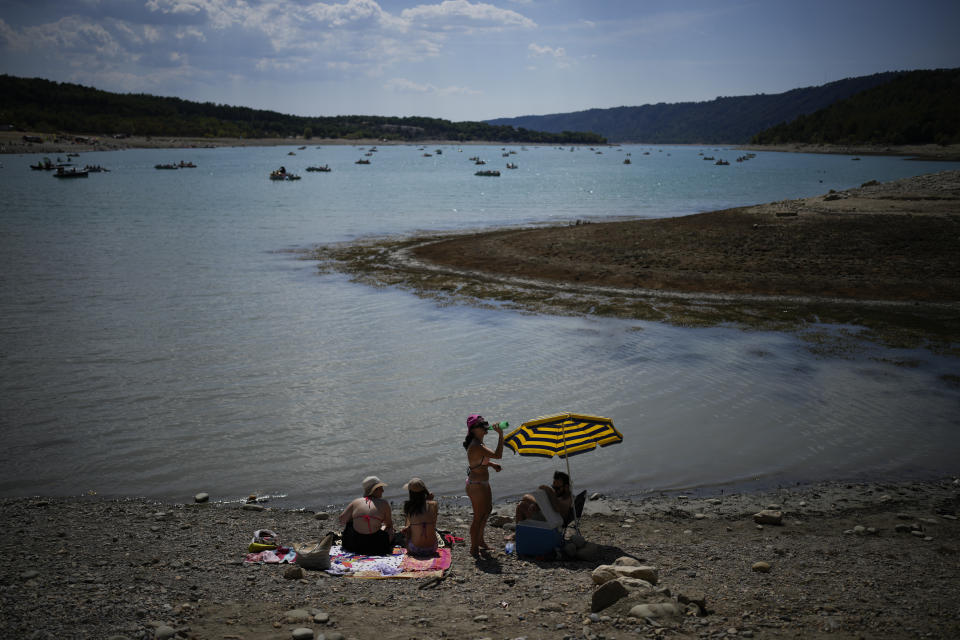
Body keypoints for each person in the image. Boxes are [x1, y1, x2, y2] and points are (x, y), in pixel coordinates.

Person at [463, 413, 504, 557]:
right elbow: (498, 454)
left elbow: (478, 461)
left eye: (484, 423)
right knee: (479, 516)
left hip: (483, 483)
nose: (485, 427)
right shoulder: (476, 445)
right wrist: (500, 435)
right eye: (481, 425)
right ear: (474, 429)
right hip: (476, 485)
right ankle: (473, 547)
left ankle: (480, 541)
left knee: (487, 511)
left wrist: (491, 465)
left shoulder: (480, 443)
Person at [338, 476, 394, 555]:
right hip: (377, 546)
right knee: (391, 529)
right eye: (381, 488)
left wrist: (355, 519)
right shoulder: (384, 503)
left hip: (353, 545)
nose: (383, 491)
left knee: (350, 524)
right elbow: (389, 524)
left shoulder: (356, 502)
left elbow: (342, 520)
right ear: (375, 490)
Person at [402, 477, 439, 557]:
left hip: (414, 549)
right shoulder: (434, 504)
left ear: (410, 493)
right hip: (433, 548)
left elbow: (408, 525)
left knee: (408, 529)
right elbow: (434, 523)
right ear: (424, 490)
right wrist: (429, 499)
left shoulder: (409, 507)